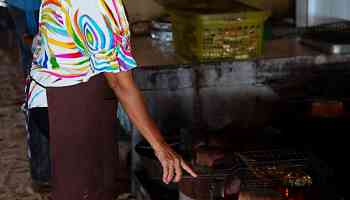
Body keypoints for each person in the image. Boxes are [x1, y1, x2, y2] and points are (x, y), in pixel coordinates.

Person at [27, 0, 198, 199]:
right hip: (71, 107)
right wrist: (161, 147)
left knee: (83, 186)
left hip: (47, 98)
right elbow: (119, 82)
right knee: (86, 191)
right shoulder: (98, 4)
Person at [7, 0, 52, 191]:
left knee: (37, 79)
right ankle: (44, 173)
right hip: (33, 7)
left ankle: (45, 172)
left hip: (31, 7)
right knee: (39, 88)